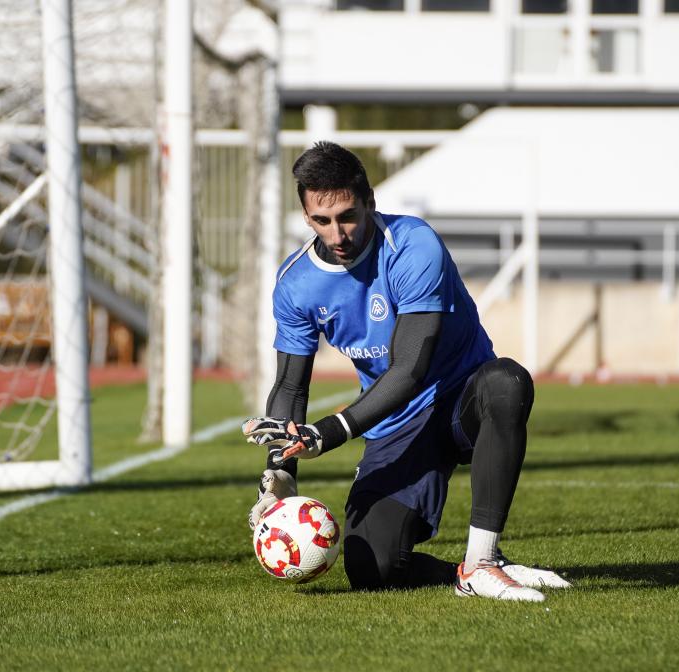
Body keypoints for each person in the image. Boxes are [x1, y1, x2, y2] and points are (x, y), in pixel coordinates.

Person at [242, 142, 569, 601]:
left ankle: (484, 561)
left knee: (507, 382)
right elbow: (291, 385)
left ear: (370, 202)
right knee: (370, 567)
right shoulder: (295, 283)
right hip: (397, 423)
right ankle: (464, 574)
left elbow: (409, 368)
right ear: (305, 216)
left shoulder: (413, 245)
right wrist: (282, 473)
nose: (337, 235)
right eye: (322, 220)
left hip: (460, 400)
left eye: (348, 216)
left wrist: (330, 433)